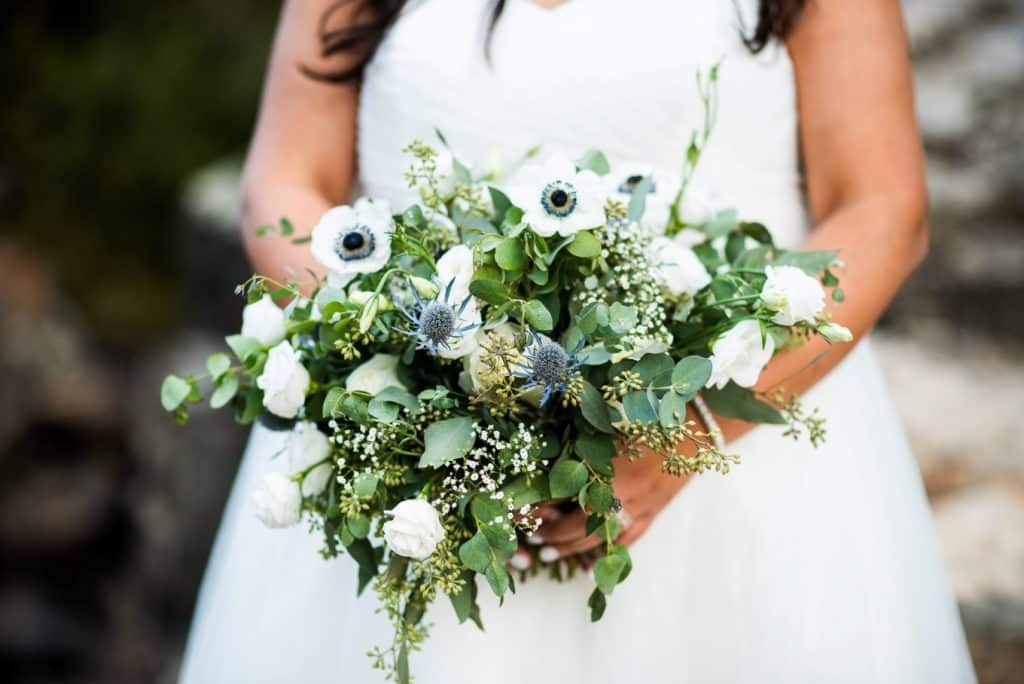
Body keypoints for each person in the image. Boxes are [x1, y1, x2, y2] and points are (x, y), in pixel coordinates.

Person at [180, 1, 976, 681]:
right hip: (413, 476)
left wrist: (688, 433)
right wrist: (404, 373)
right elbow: (283, 182)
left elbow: (882, 208)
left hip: (737, 476)